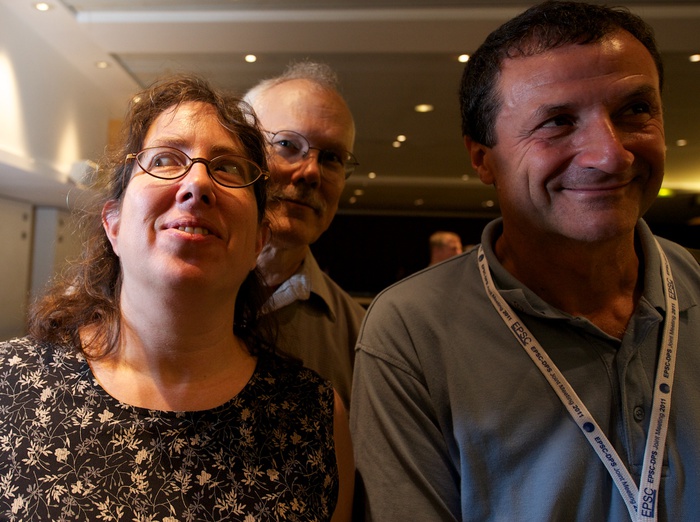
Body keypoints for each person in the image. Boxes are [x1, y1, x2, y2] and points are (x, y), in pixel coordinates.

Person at [350, 2, 700, 521]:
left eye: (634, 110)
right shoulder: (413, 332)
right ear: (482, 159)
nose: (610, 155)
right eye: (558, 121)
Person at [0, 75, 353, 521]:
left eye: (228, 168)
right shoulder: (8, 386)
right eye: (165, 159)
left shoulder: (314, 420)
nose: (197, 183)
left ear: (258, 241)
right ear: (113, 224)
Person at [244, 62, 366, 408]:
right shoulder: (171, 295)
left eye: (332, 158)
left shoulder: (362, 339)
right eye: (286, 144)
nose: (311, 171)